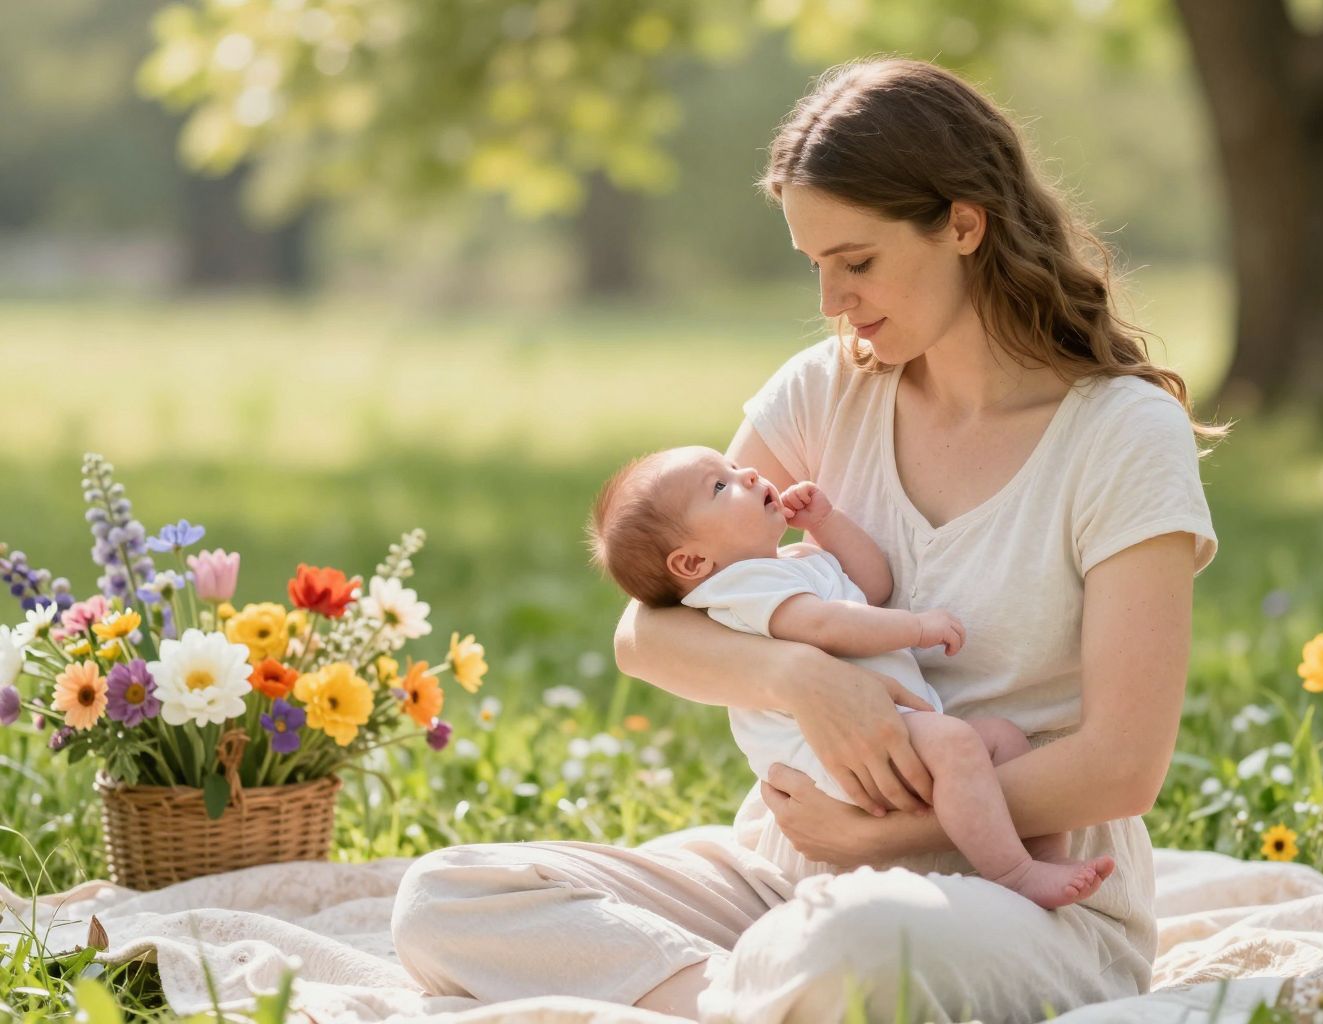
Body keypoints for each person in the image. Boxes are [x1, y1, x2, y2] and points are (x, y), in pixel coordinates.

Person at [392, 56, 1223, 1023]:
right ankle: (746, 998)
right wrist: (801, 681)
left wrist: (884, 842)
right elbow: (647, 631)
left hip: (1018, 898)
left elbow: (1124, 765)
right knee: (445, 899)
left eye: (858, 262)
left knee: (853, 946)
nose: (833, 302)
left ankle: (762, 986)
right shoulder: (823, 390)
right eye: (814, 265)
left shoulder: (1120, 434)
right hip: (786, 870)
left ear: (963, 223)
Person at [584, 443, 1116, 907]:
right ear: (692, 564)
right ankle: (1015, 874)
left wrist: (825, 523)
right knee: (956, 745)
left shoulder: (792, 562)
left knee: (1000, 737)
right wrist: (916, 627)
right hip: (831, 759)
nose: (748, 475)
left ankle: (1044, 859)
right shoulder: (737, 590)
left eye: (735, 465)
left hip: (882, 727)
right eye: (720, 485)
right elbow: (824, 625)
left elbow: (872, 583)